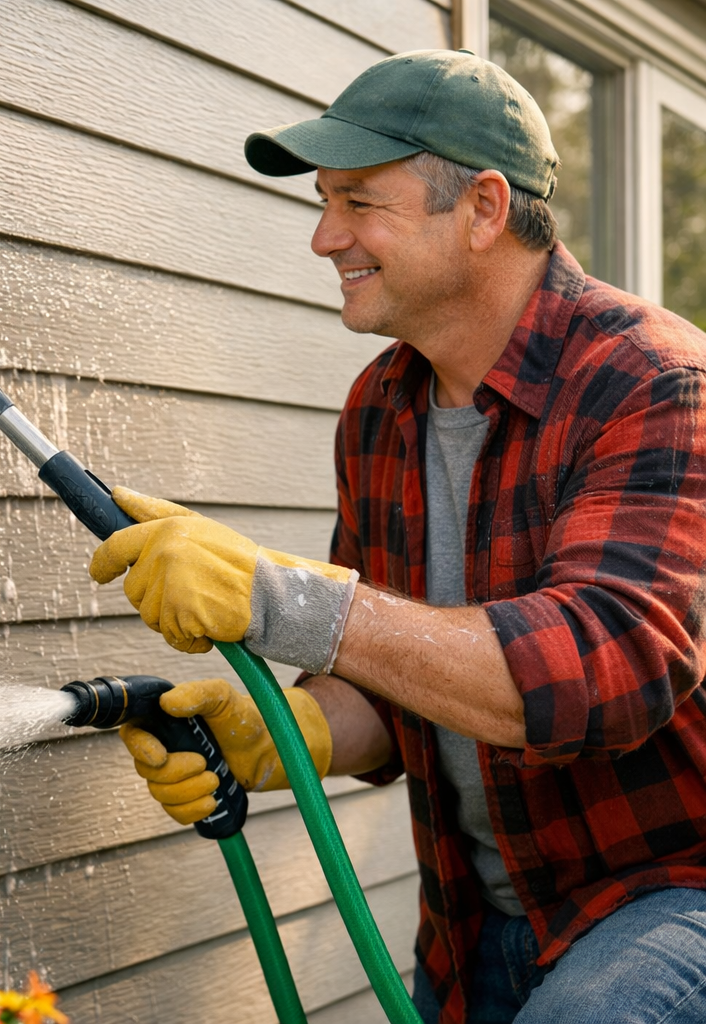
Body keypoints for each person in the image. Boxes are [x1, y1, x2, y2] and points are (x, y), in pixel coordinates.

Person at [88, 49, 706, 1023]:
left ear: (485, 208)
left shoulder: (652, 379)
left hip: (673, 893)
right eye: (323, 201)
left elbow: (605, 667)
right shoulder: (380, 408)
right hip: (473, 919)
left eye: (359, 202)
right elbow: (397, 677)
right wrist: (287, 732)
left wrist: (282, 599)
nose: (324, 236)